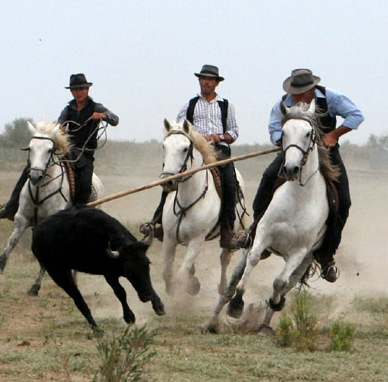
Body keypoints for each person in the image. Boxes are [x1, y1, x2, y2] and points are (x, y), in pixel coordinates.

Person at [234, 68, 364, 282]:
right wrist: (283, 140)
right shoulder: (283, 103)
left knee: (345, 201)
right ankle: (253, 231)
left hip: (327, 154)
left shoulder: (331, 97)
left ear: (311, 89)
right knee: (268, 178)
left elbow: (356, 115)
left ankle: (327, 256)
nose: (295, 96)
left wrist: (333, 134)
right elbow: (275, 127)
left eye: (300, 92)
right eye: (293, 91)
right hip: (294, 152)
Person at [0, 73, 119, 221]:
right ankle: (10, 208)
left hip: (85, 153)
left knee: (85, 184)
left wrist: (103, 116)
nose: (79, 92)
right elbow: (60, 123)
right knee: (30, 167)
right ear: (72, 92)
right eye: (75, 90)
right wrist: (61, 130)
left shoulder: (96, 107)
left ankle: (80, 214)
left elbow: (115, 119)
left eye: (82, 89)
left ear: (87, 90)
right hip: (68, 148)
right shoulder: (68, 108)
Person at [146, 64, 244, 249]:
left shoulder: (226, 106)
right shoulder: (189, 105)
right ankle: (158, 221)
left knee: (230, 184)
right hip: (195, 151)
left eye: (210, 79)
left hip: (219, 151)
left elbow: (234, 132)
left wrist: (218, 136)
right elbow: (177, 130)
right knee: (170, 177)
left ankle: (227, 231)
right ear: (199, 81)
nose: (206, 82)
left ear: (216, 83)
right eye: (203, 79)